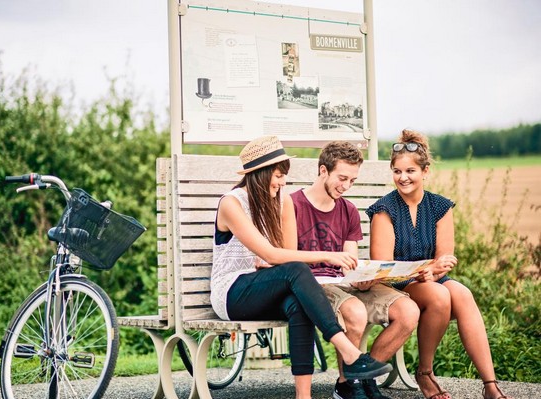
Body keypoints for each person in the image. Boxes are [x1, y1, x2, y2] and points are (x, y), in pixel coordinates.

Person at [210, 135, 393, 399]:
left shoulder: (281, 200)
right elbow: (273, 254)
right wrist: (328, 256)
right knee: (297, 271)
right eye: (278, 175)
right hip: (231, 292)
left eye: (284, 175)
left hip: (262, 286)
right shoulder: (232, 203)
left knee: (300, 303)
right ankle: (351, 353)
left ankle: (303, 396)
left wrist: (274, 260)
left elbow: (284, 254)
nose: (283, 182)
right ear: (259, 174)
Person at [366, 129, 514, 399]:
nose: (403, 177)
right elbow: (384, 268)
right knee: (439, 295)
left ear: (425, 171)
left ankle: (490, 385)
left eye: (410, 171)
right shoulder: (384, 210)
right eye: (397, 171)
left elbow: (444, 260)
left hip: (430, 279)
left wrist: (431, 271)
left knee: (462, 293)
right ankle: (425, 373)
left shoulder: (440, 207)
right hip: (395, 285)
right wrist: (427, 270)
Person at [290, 141, 420, 399]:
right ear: (323, 171)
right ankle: (346, 386)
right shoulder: (292, 205)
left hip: (344, 283)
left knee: (408, 311)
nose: (346, 186)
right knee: (355, 312)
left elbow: (349, 259)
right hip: (313, 285)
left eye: (352, 180)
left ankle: (362, 377)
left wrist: (363, 278)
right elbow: (288, 260)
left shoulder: (347, 209)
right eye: (342, 178)